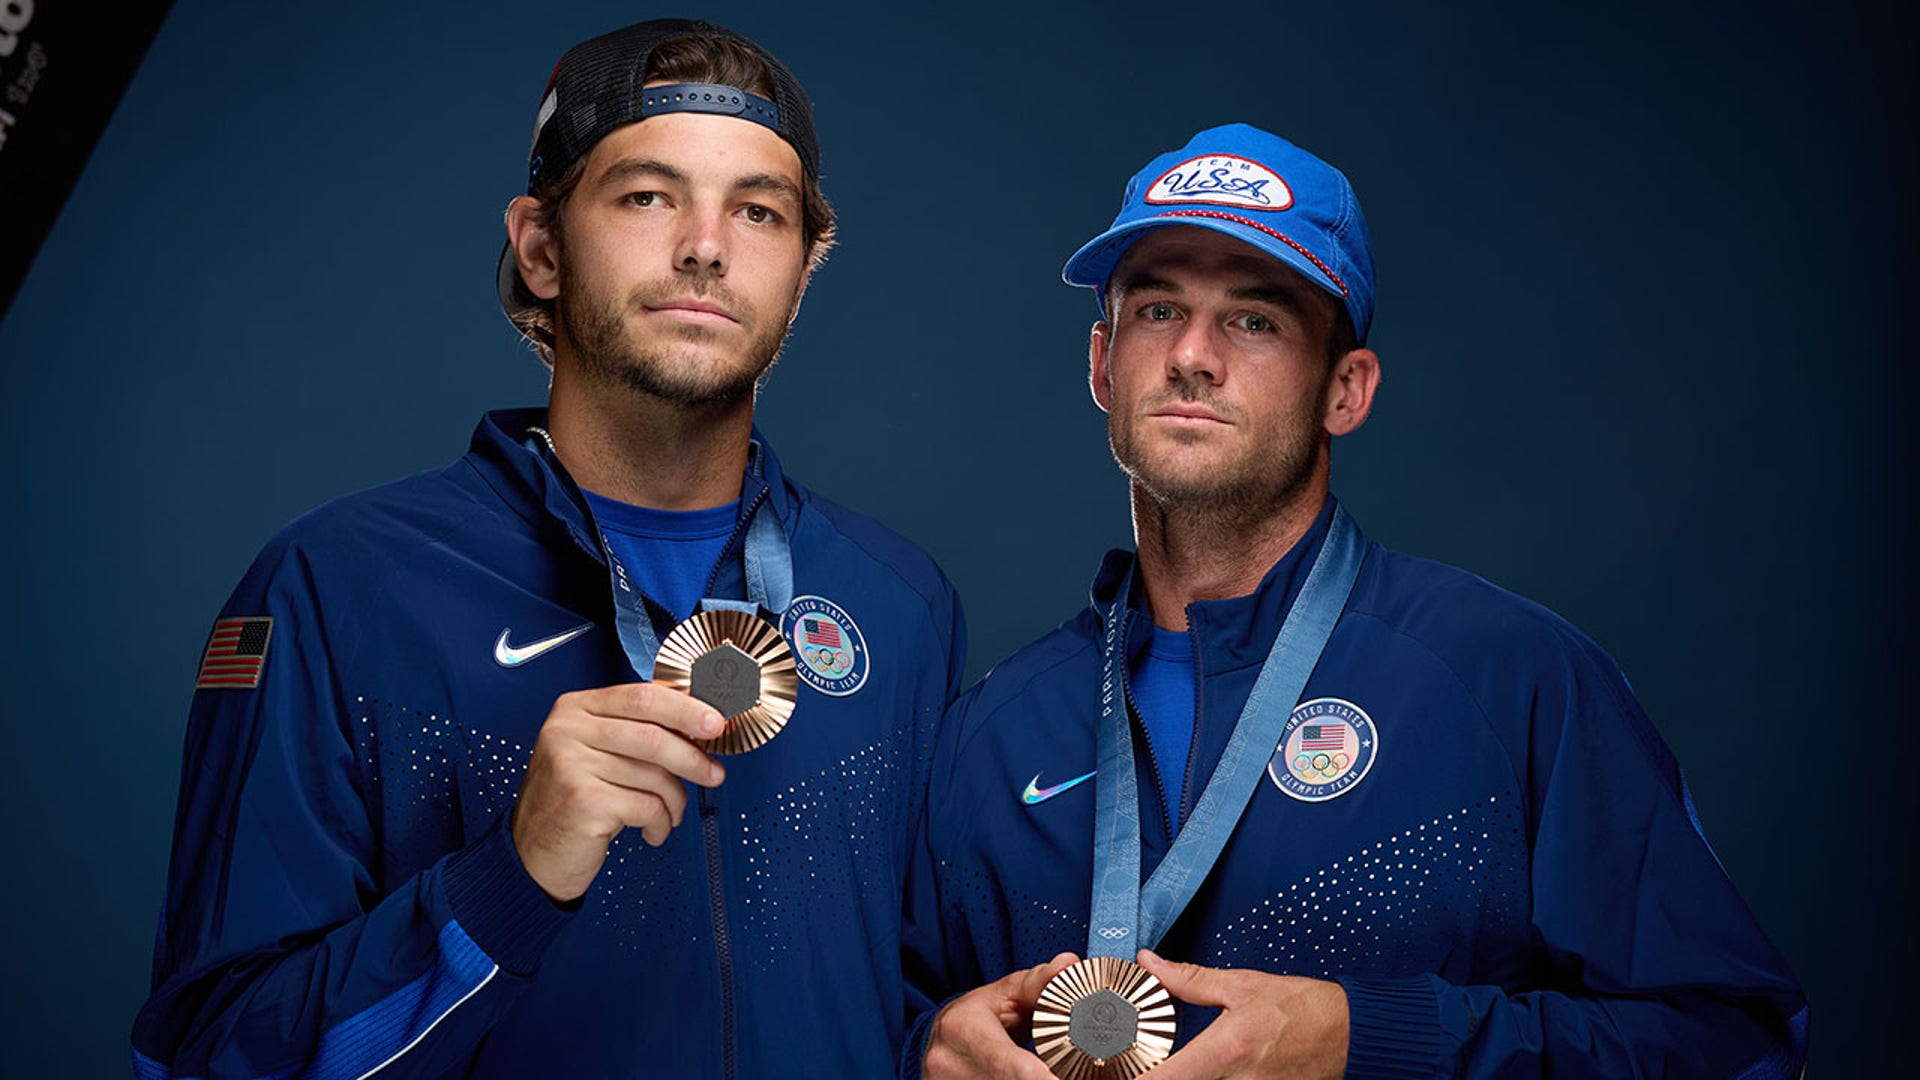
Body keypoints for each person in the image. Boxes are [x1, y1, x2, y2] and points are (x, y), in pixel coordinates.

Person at [132, 19, 965, 1080]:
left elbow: (897, 1001)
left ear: (802, 268)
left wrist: (947, 1039)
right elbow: (213, 1057)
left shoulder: (898, 605)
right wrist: (509, 882)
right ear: (540, 248)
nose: (706, 245)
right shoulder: (338, 589)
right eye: (647, 195)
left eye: (759, 211)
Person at [902, 124, 1807, 1079]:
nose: (1195, 356)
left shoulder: (1507, 681)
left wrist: (1368, 1040)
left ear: (1346, 390)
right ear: (1102, 364)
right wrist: (926, 1050)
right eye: (1159, 310)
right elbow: (877, 1023)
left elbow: (1735, 1043)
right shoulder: (989, 734)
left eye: (1256, 320)